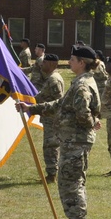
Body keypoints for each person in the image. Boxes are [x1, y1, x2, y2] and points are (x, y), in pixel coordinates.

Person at [17, 45, 101, 219]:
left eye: (72, 59)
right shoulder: (81, 81)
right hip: (73, 140)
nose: (69, 62)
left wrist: (90, 124)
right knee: (69, 180)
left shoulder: (82, 85)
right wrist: (31, 108)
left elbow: (83, 112)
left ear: (82, 63)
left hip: (76, 141)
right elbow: (59, 104)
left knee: (71, 182)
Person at [36, 54, 65, 183]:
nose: (42, 64)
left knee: (51, 146)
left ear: (53, 64)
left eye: (45, 62)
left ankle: (52, 174)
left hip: (53, 119)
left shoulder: (54, 79)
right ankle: (51, 173)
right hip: (48, 117)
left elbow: (59, 101)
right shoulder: (50, 78)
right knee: (49, 146)